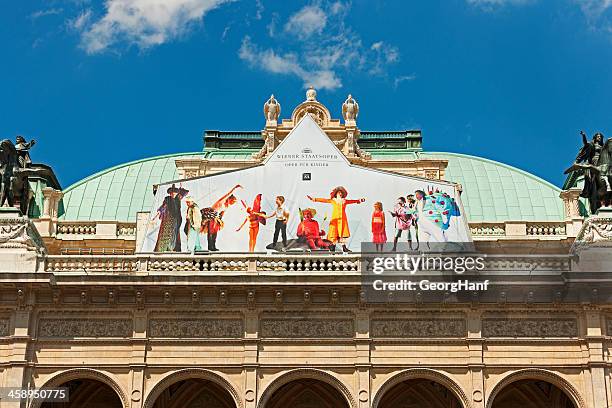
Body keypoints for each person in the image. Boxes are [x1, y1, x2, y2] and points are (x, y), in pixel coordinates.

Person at [307, 186, 365, 252]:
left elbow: (352, 201)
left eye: (341, 193)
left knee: (342, 233)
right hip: (335, 220)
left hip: (342, 220)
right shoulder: (333, 201)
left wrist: (359, 200)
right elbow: (324, 200)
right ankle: (333, 246)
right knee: (334, 233)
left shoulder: (344, 201)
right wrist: (314, 199)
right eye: (339, 192)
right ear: (336, 193)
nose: (340, 194)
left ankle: (344, 247)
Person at [200, 184, 242, 251]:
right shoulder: (222, 201)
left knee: (215, 232)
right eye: (233, 201)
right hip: (211, 215)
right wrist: (235, 188)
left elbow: (222, 214)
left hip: (216, 217)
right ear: (229, 199)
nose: (233, 203)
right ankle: (210, 247)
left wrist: (220, 221)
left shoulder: (226, 206)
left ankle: (213, 246)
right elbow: (228, 194)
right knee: (211, 231)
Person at [153, 184, 188, 252]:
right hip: (168, 218)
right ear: (170, 193)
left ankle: (174, 247)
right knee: (167, 232)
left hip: (177, 218)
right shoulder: (167, 198)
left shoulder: (178, 198)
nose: (173, 194)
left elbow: (185, 192)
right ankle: (167, 247)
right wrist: (158, 213)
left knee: (175, 232)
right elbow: (163, 206)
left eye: (174, 192)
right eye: (172, 192)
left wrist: (181, 187)